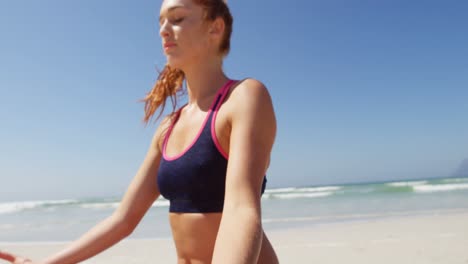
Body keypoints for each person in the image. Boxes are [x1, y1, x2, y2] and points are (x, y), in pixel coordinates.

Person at [3, 0, 279, 263]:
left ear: (215, 28)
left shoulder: (243, 97)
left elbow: (241, 210)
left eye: (177, 18)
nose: (163, 30)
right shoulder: (169, 127)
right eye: (160, 22)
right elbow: (123, 220)